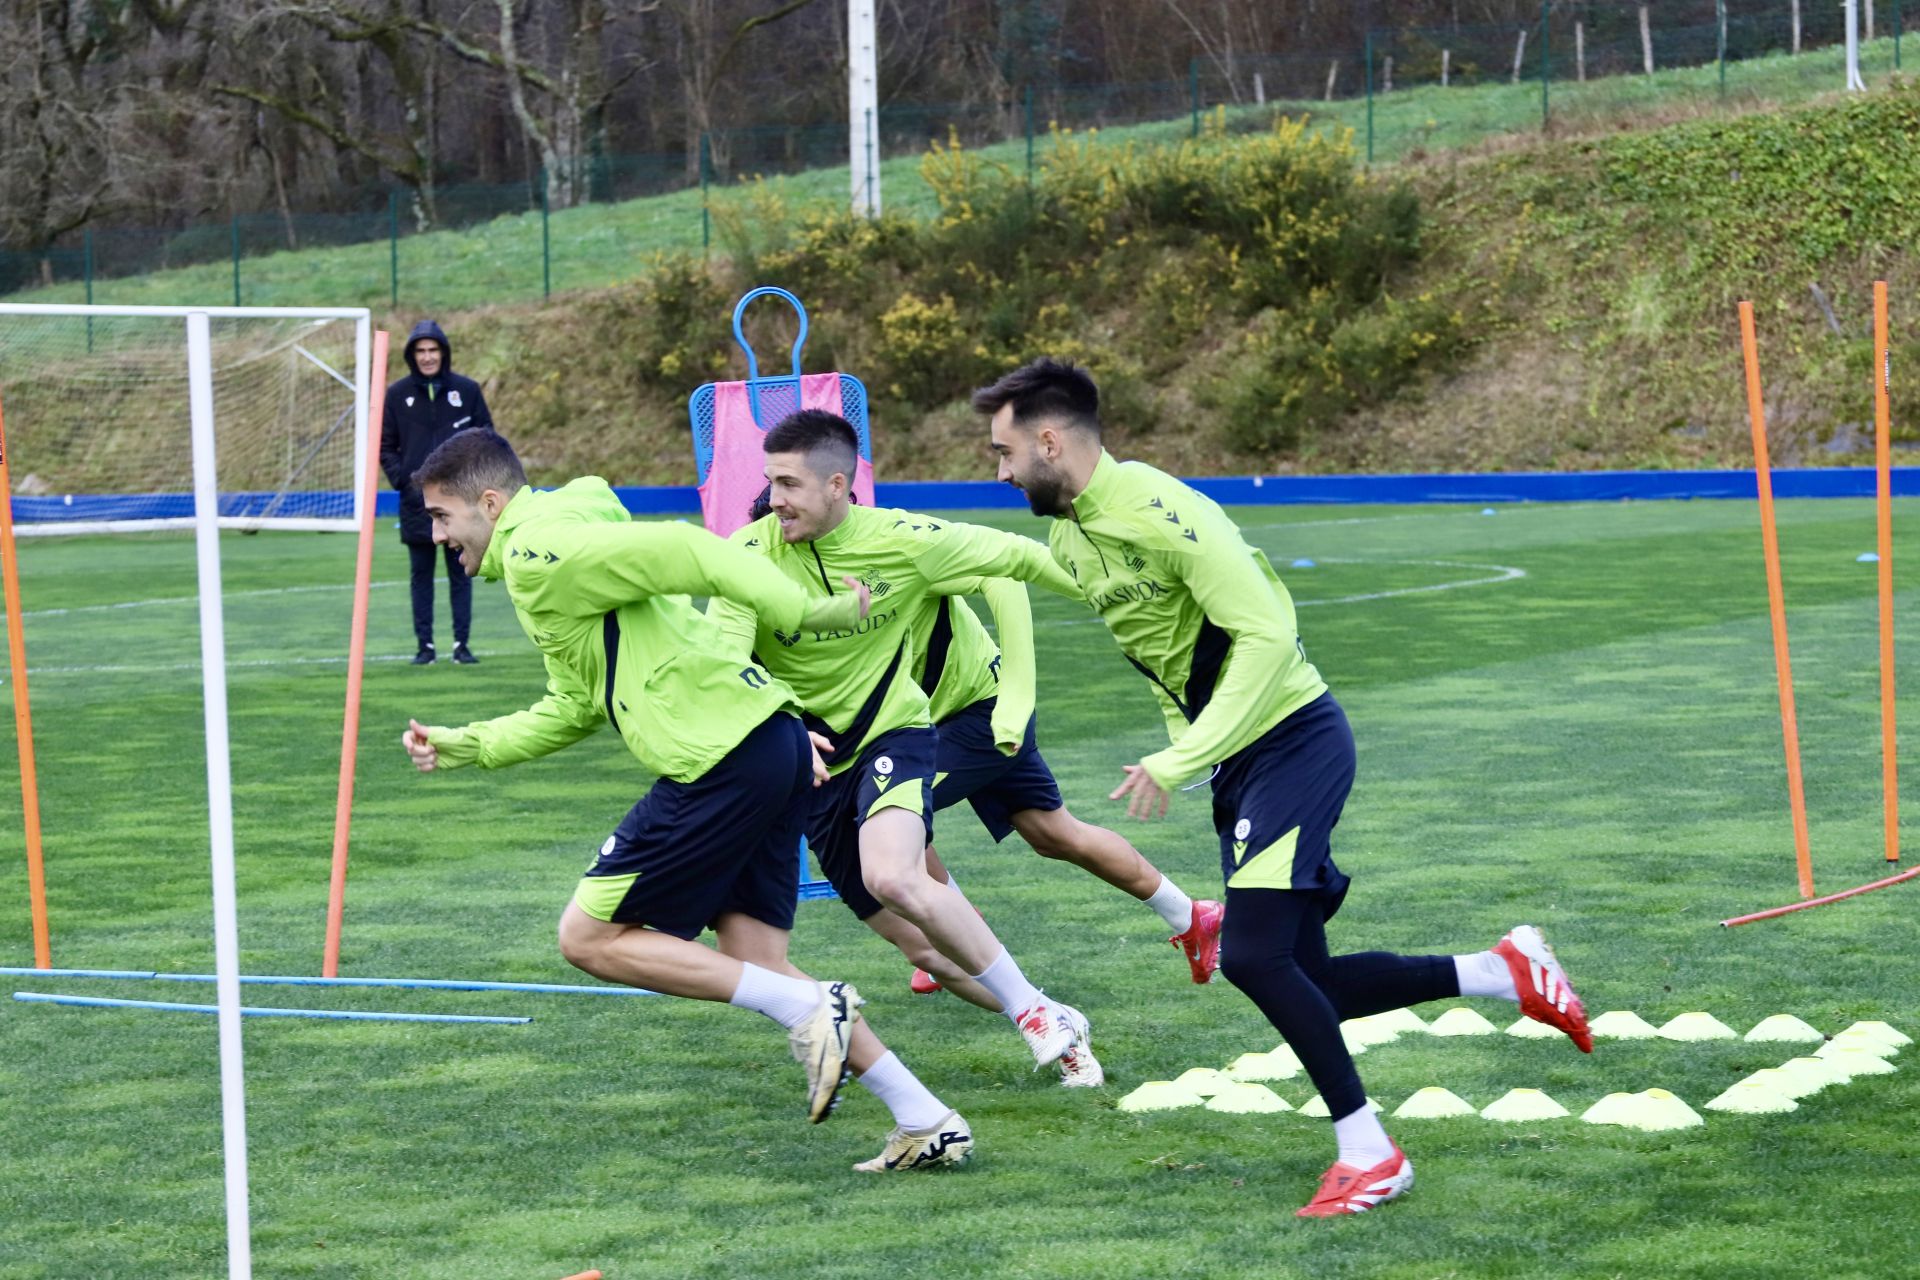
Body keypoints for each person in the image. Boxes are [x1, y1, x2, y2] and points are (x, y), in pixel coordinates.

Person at [973, 358, 1592, 1216]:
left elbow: (1266, 633)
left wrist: (1180, 760)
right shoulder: (1071, 533)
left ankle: (1370, 1150)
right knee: (1312, 982)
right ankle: (1501, 970)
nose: (1000, 472)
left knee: (1253, 954)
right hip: (1242, 761)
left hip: (1293, 740)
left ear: (1049, 440)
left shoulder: (1165, 510)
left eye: (1004, 452)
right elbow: (1128, 628)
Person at [399, 429, 971, 1171]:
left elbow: (692, 551)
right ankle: (925, 1117)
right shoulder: (549, 557)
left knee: (587, 937)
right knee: (757, 960)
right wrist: (467, 743)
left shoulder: (541, 555)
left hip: (724, 756)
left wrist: (810, 611)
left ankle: (812, 1010)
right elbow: (575, 704)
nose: (438, 536)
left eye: (443, 518)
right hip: (764, 743)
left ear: (489, 503)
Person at [709, 410, 1105, 1087]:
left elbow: (1016, 559)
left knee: (894, 875)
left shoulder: (904, 539)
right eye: (769, 482)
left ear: (838, 484)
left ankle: (1038, 1017)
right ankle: (1052, 1017)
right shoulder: (746, 557)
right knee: (929, 951)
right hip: (818, 771)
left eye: (789, 484)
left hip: (897, 733)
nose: (774, 499)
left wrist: (1116, 590)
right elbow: (718, 659)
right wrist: (772, 718)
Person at [901, 570, 1225, 994]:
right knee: (1052, 834)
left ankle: (952, 934)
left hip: (987, 712)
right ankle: (1191, 915)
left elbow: (1004, 570)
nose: (783, 513)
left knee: (888, 807)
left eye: (789, 500)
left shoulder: (899, 542)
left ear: (839, 498)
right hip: (953, 712)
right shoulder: (798, 569)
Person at [381, 319, 493, 665]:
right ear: (412, 356)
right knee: (421, 576)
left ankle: (462, 645)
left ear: (443, 353)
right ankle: (425, 647)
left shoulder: (468, 391)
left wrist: (468, 485)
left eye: (433, 350)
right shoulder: (397, 395)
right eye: (421, 351)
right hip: (417, 507)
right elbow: (385, 447)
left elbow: (485, 438)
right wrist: (406, 482)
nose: (427, 357)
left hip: (460, 505)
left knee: (462, 573)